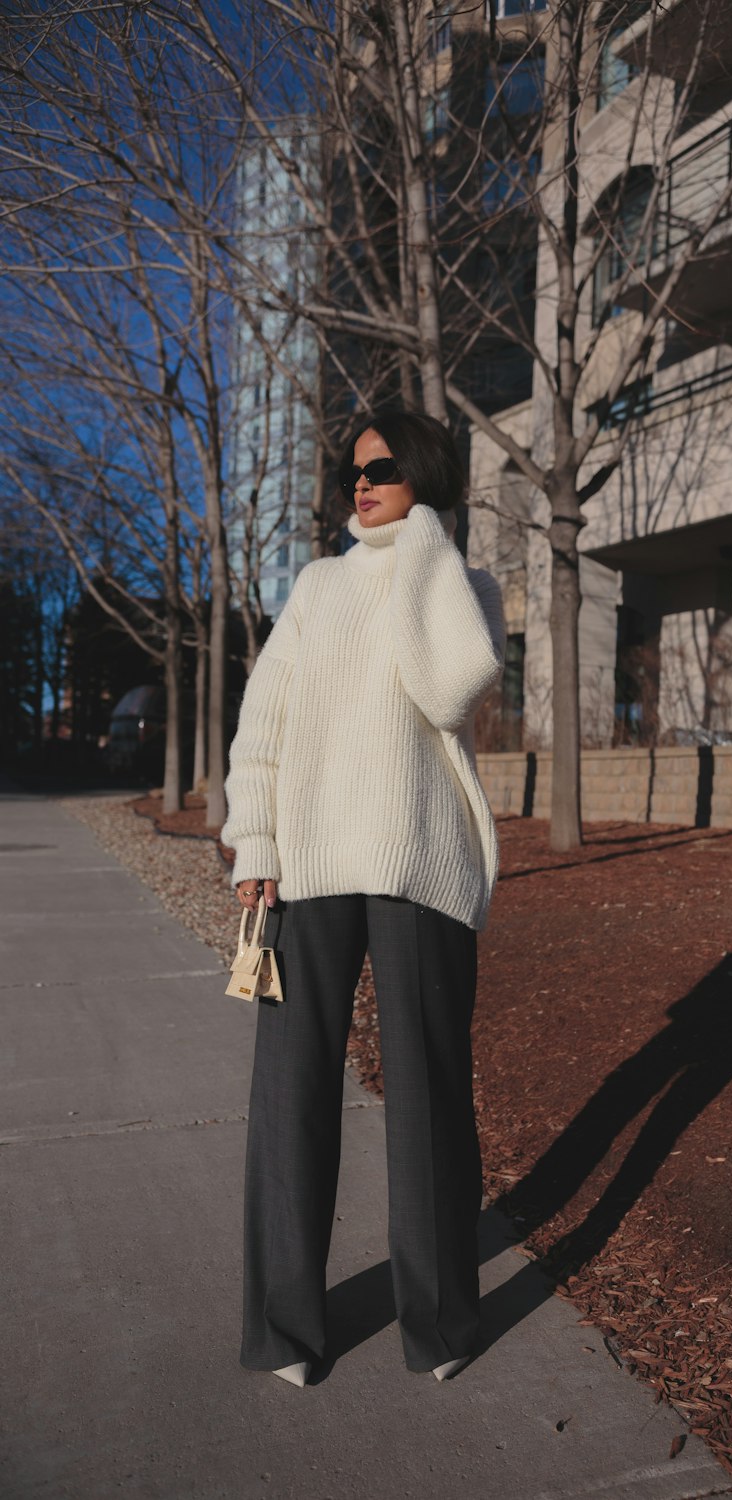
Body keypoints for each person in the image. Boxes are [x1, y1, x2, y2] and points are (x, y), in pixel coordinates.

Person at [221, 410, 506, 1389]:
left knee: (430, 1101)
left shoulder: (462, 587)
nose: (361, 484)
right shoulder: (318, 585)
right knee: (290, 1095)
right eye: (353, 473)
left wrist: (420, 542)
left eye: (382, 468)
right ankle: (285, 1329)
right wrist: (253, 841)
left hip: (422, 864)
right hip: (306, 865)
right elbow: (267, 719)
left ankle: (441, 1322)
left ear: (425, 474)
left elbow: (449, 689)